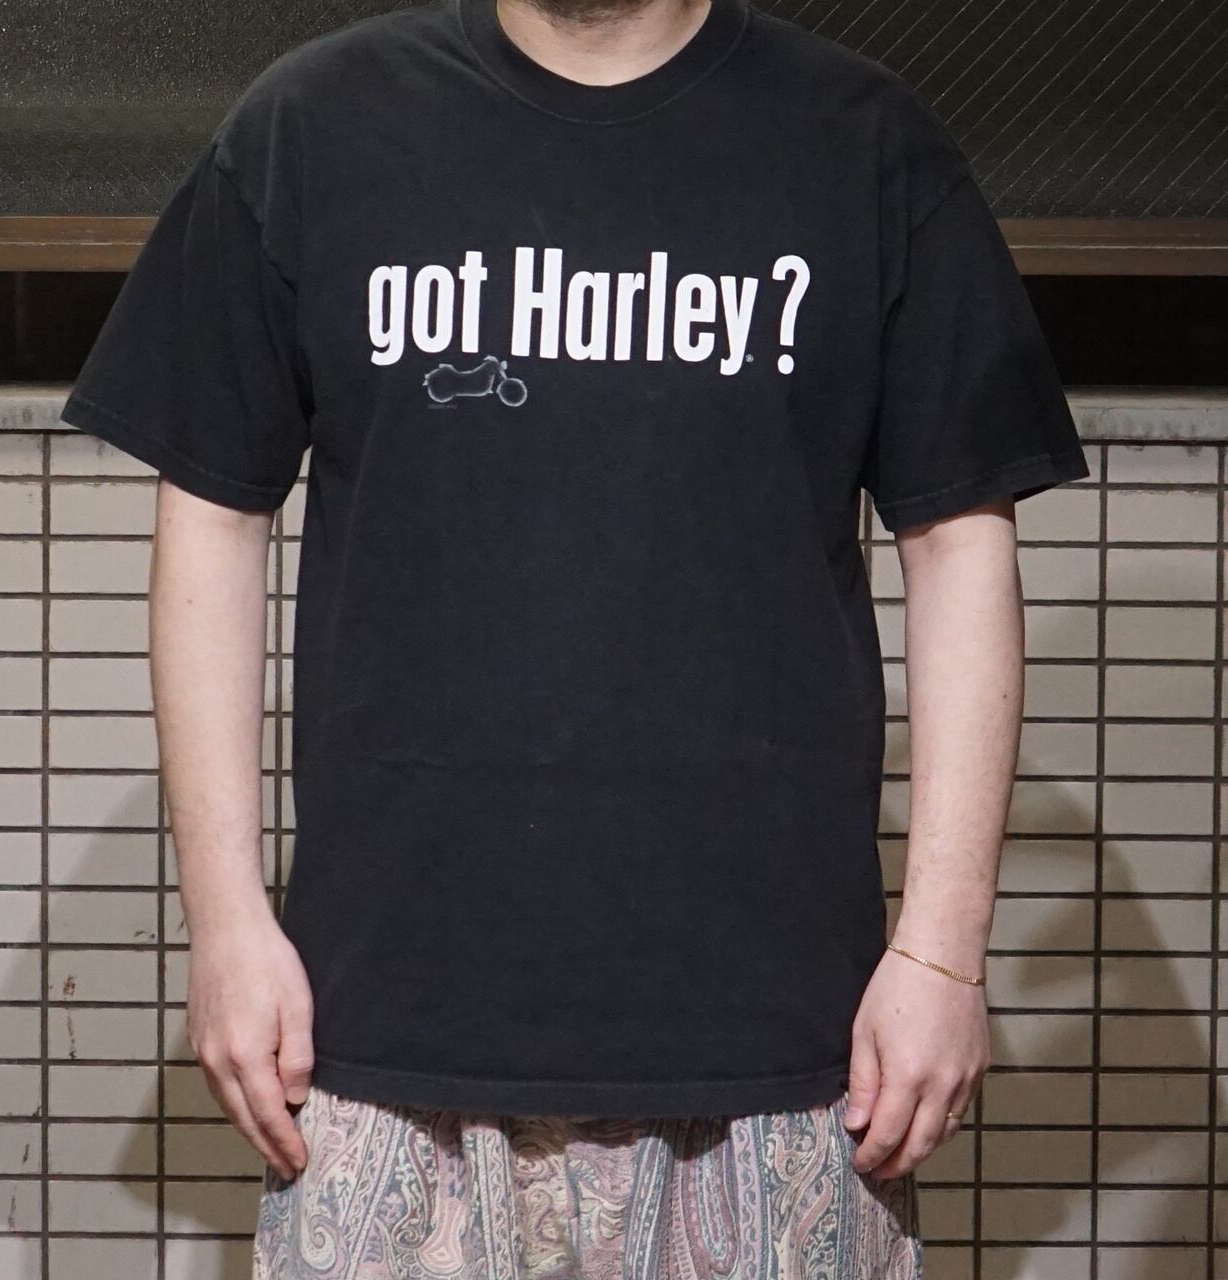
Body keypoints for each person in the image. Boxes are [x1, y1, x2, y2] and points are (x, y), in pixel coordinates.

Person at [60, 0, 1090, 1273]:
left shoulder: (862, 142)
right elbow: (212, 515)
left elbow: (959, 543)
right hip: (379, 1039)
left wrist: (943, 949)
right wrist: (224, 922)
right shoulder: (314, 127)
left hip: (781, 1055)